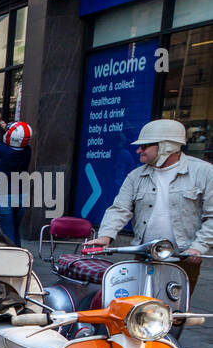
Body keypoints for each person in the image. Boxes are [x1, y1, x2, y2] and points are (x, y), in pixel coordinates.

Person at [88, 118, 213, 289]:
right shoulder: (136, 175)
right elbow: (119, 209)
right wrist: (105, 235)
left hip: (183, 258)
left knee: (173, 310)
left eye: (145, 146)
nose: (139, 150)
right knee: (137, 307)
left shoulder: (204, 172)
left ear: (166, 146)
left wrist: (199, 247)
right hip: (143, 255)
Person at [0, 113, 32, 245]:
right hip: (21, 197)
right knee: (16, 231)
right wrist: (0, 122)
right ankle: (21, 259)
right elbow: (17, 136)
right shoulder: (27, 150)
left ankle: (12, 261)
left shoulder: (4, 151)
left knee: (8, 233)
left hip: (3, 197)